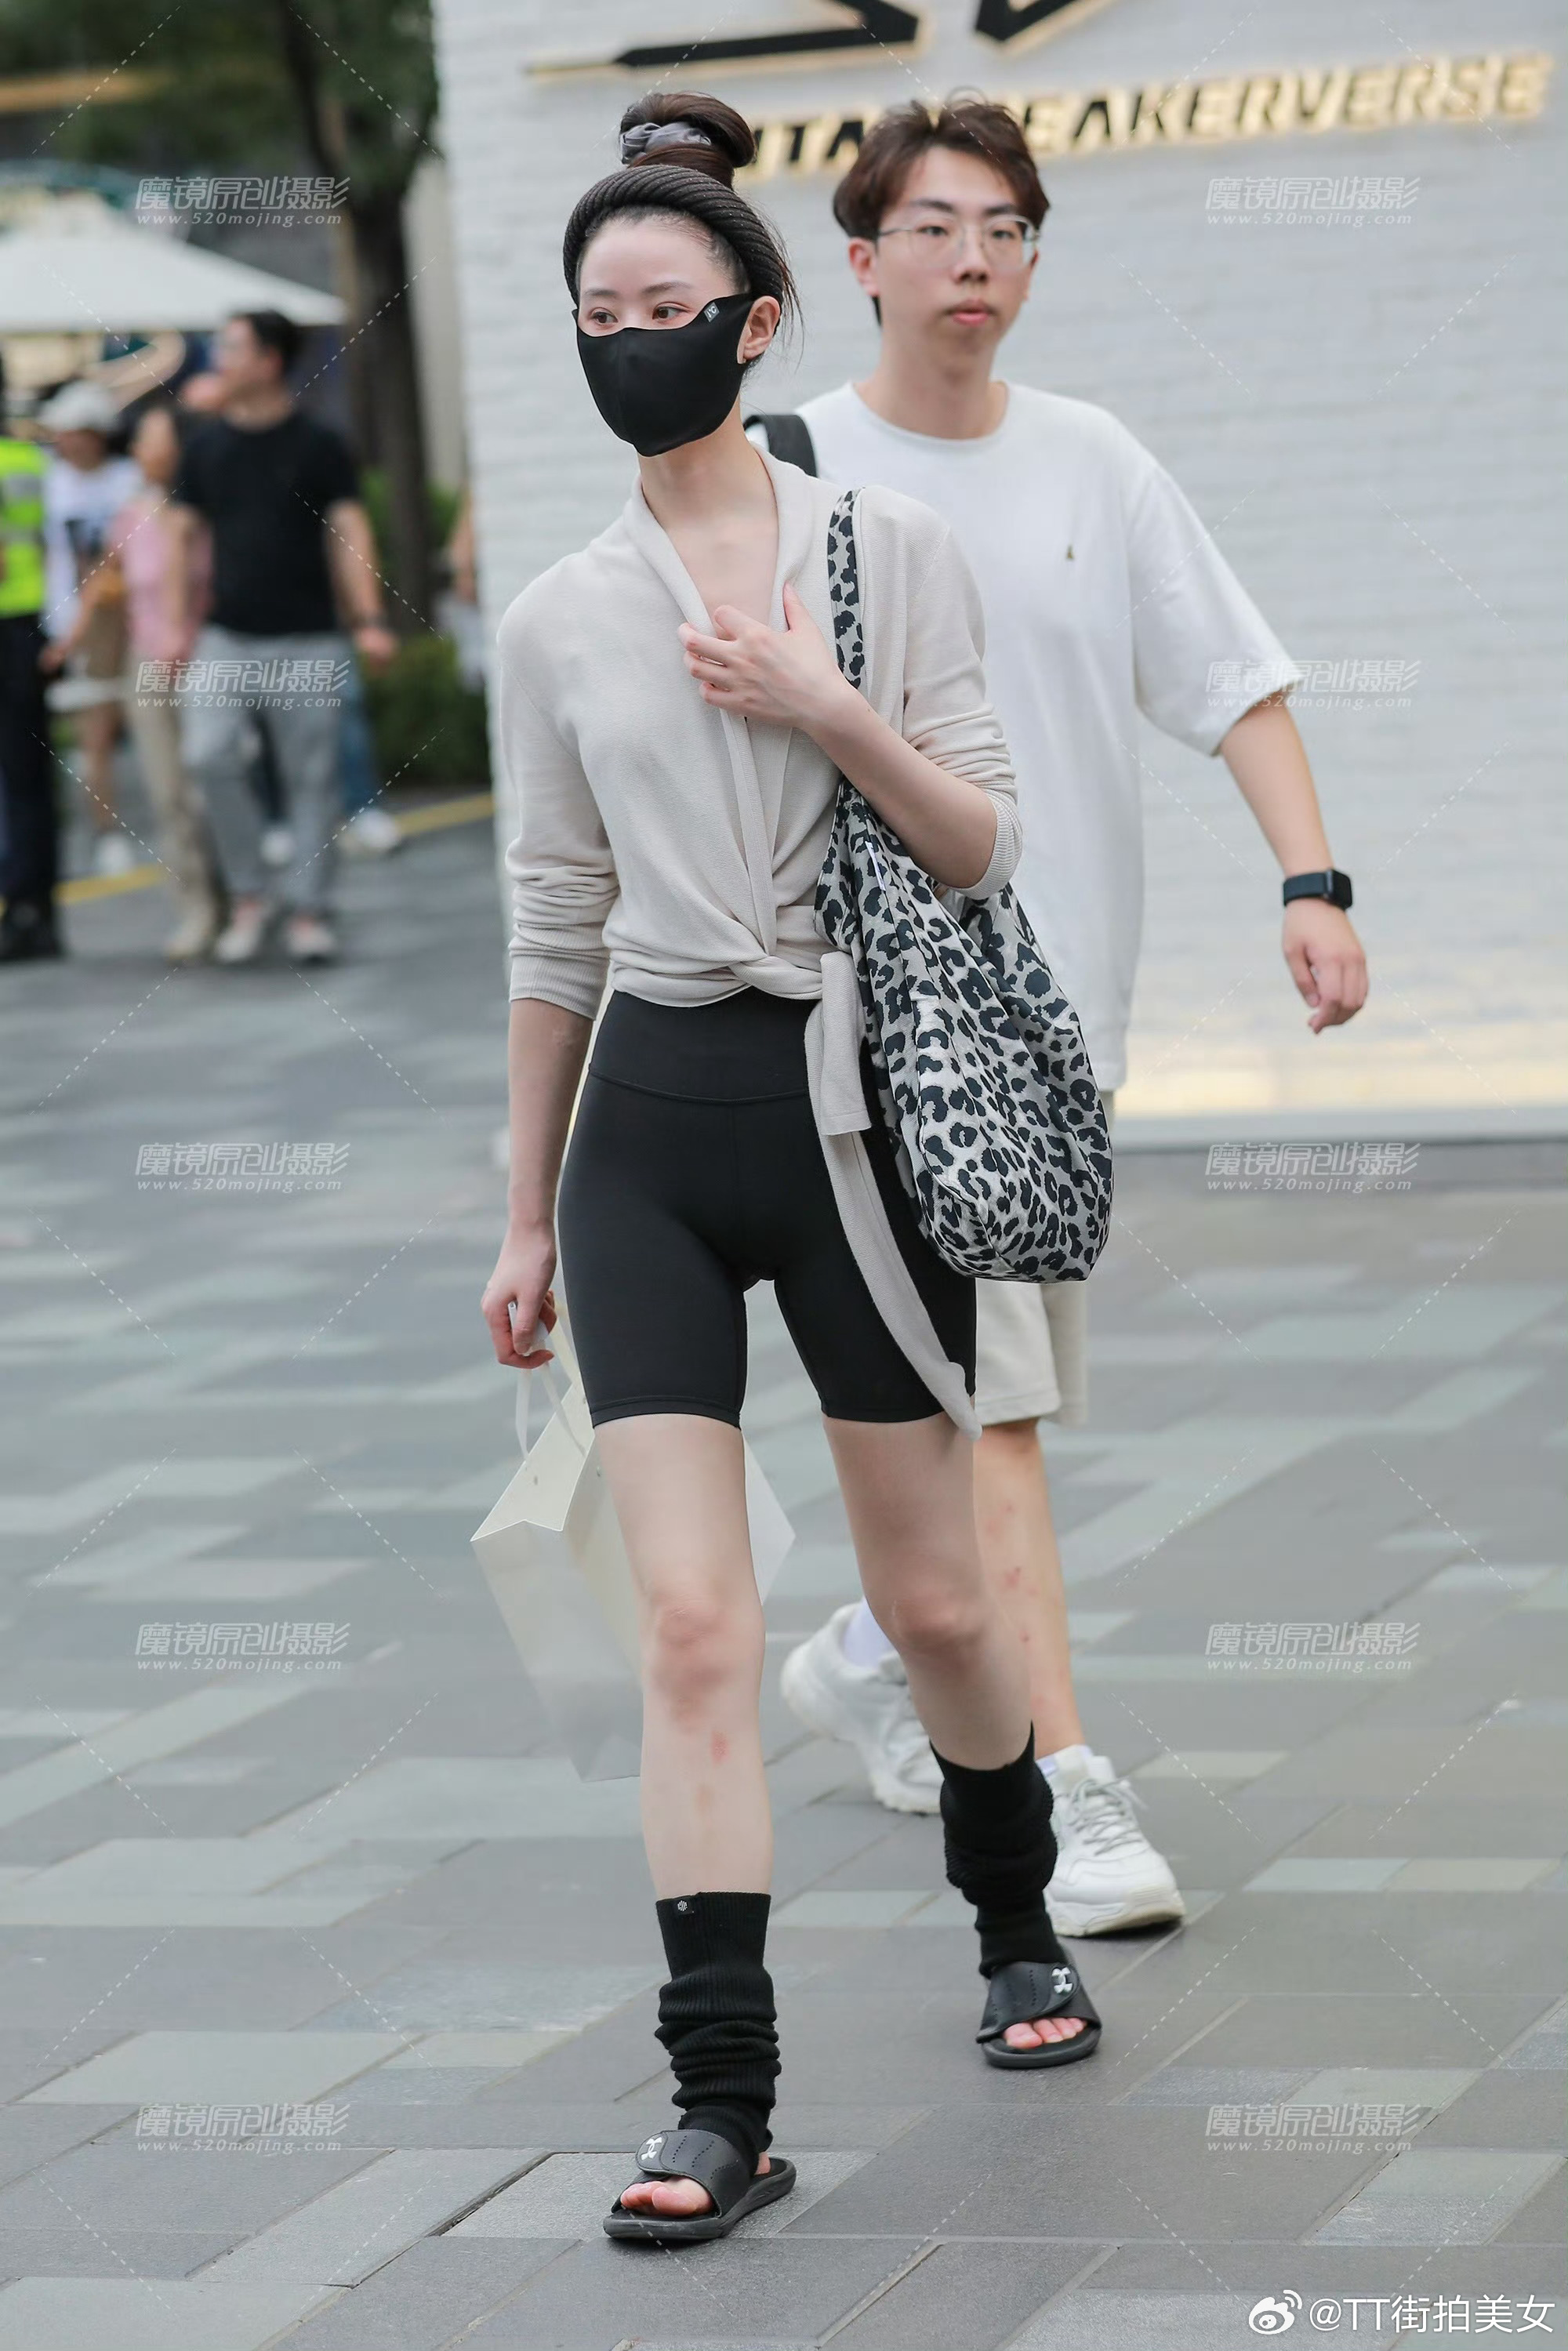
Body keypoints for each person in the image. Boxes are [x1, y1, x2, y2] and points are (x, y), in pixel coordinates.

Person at [481, 89, 1100, 2245]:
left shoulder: (884, 554)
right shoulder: (560, 615)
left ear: (752, 323)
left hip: (855, 1122)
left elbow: (978, 836)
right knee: (685, 1623)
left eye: (659, 305)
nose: (624, 339)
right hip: (648, 1131)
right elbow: (552, 920)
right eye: (593, 315)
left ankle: (1012, 1909)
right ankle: (719, 2099)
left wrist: (819, 701)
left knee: (931, 1598)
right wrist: (518, 1207)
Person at [757, 100, 1368, 1936]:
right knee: (999, 1411)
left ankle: (877, 1654)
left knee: (972, 1405)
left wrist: (1311, 879)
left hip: (1053, 1027)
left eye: (1006, 228)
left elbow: (1231, 679)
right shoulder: (796, 469)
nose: (974, 258)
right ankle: (1058, 1785)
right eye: (934, 227)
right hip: (884, 1030)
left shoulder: (1091, 460)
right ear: (860, 260)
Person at [170, 310, 397, 965]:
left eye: (232, 347)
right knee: (207, 755)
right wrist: (180, 627)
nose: (220, 358)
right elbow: (182, 535)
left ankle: (308, 911)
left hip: (309, 638)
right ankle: (250, 896)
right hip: (226, 637)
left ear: (270, 360)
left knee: (312, 778)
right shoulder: (205, 447)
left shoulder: (319, 445)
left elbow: (351, 532)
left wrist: (370, 620)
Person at [107, 401, 225, 962]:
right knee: (168, 792)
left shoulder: (208, 510)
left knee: (217, 785)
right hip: (148, 664)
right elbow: (112, 585)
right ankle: (196, 908)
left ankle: (242, 898)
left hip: (209, 660)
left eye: (149, 439)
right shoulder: (129, 515)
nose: (138, 450)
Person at [37, 379, 140, 878]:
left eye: (75, 430)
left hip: (136, 620)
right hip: (77, 625)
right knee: (92, 735)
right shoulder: (47, 482)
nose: (65, 440)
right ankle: (107, 833)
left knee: (155, 722)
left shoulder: (130, 479)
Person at [0, 365, 60, 962]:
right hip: (30, 626)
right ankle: (36, 910)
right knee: (28, 779)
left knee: (20, 781)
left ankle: (22, 908)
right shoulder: (31, 461)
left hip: (12, 626)